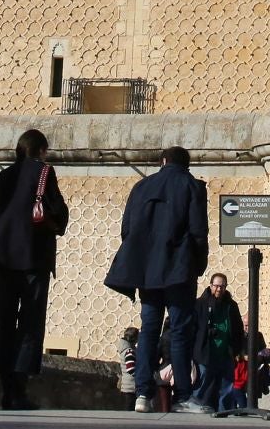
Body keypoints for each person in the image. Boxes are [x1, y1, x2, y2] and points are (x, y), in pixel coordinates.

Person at [106, 145, 211, 415]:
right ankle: (183, 395)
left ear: (163, 162)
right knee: (179, 332)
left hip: (148, 272)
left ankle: (142, 393)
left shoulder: (141, 187)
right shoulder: (193, 187)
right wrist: (199, 265)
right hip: (179, 270)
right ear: (187, 165)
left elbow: (127, 229)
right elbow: (199, 232)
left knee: (149, 330)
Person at [0, 127, 70, 410]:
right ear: (41, 150)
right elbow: (56, 211)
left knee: (6, 322)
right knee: (30, 322)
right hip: (34, 257)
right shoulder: (44, 172)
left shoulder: (4, 175)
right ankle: (19, 389)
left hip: (3, 257)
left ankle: (5, 388)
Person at [193, 272, 246, 408]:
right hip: (205, 354)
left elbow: (238, 329)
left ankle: (224, 414)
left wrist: (237, 349)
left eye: (222, 286)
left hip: (226, 354)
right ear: (210, 285)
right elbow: (194, 328)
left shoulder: (231, 306)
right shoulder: (200, 304)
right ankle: (195, 414)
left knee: (227, 389)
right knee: (202, 387)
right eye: (216, 286)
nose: (219, 289)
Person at [115, 325, 140, 409]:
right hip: (130, 387)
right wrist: (141, 375)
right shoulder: (129, 351)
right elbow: (131, 368)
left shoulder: (126, 349)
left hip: (127, 386)